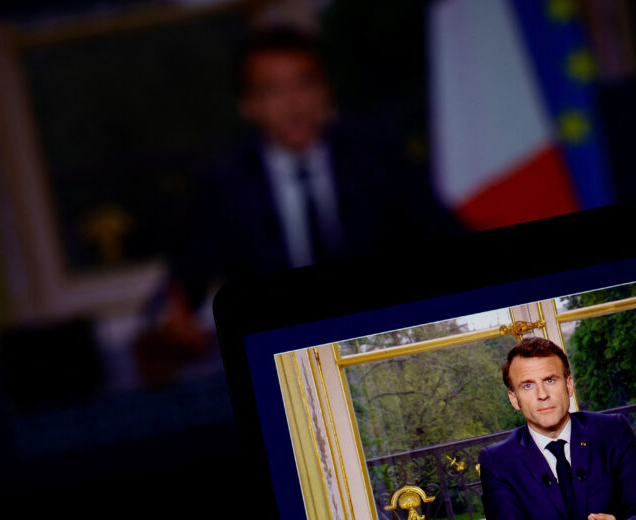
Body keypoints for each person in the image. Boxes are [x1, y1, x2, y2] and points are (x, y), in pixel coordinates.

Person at [169, 25, 459, 313]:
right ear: (247, 105)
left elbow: (445, 237)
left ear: (325, 89)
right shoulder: (224, 186)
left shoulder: (377, 159)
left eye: (304, 83)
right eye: (272, 90)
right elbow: (185, 286)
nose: (293, 102)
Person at [479, 337, 636, 520]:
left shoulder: (613, 431)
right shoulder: (497, 462)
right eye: (527, 385)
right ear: (514, 399)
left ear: (568, 385)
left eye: (550, 380)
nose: (542, 394)